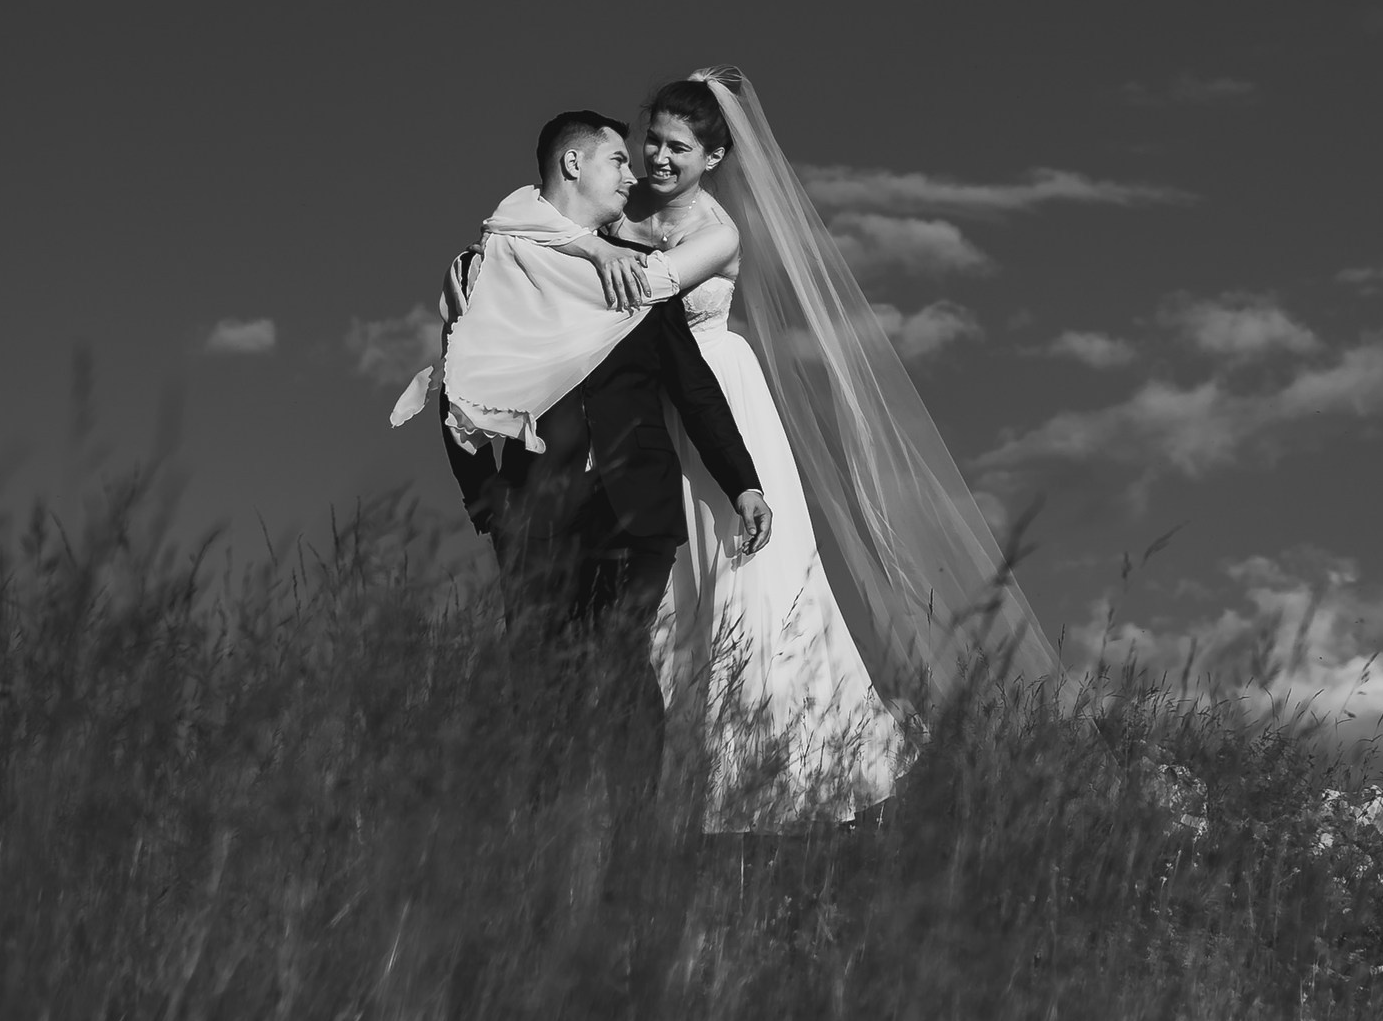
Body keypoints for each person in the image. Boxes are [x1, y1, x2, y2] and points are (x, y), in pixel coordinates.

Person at [614, 69, 1063, 827]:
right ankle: (666, 778)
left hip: (718, 396)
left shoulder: (715, 229)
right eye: (651, 139)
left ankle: (760, 779)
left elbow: (646, 287)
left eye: (678, 147)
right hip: (653, 406)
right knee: (668, 587)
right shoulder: (627, 209)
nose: (658, 156)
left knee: (741, 579)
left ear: (715, 156)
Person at [399, 108, 773, 803]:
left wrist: (744, 482)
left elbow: (691, 385)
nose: (635, 177)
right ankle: (546, 862)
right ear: (574, 165)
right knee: (540, 680)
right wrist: (490, 507)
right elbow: (460, 387)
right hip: (540, 508)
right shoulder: (490, 268)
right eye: (618, 162)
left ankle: (630, 866)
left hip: (637, 502)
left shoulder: (639, 273)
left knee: (620, 655)